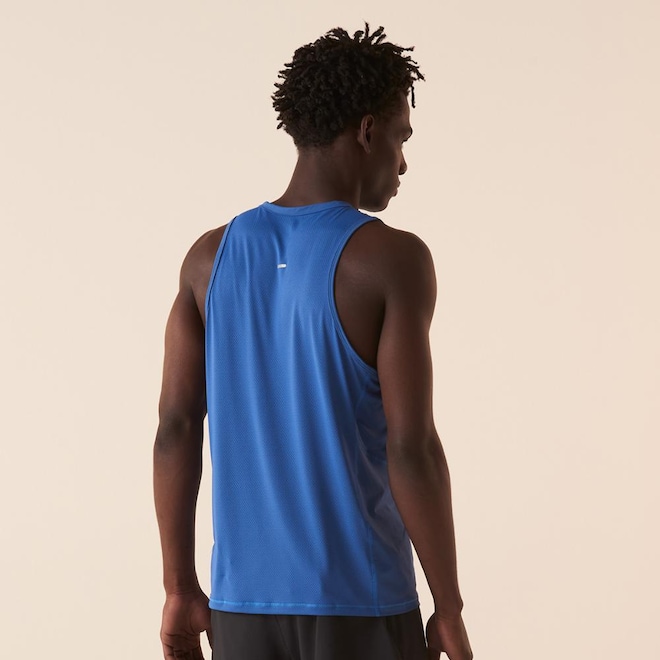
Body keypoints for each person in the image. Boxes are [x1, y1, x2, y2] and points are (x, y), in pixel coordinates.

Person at [154, 24, 473, 660]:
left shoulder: (208, 260)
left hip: (240, 610)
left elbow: (175, 428)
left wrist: (179, 588)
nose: (403, 163)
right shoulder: (392, 260)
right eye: (401, 138)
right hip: (362, 604)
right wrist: (449, 606)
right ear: (367, 131)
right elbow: (412, 448)